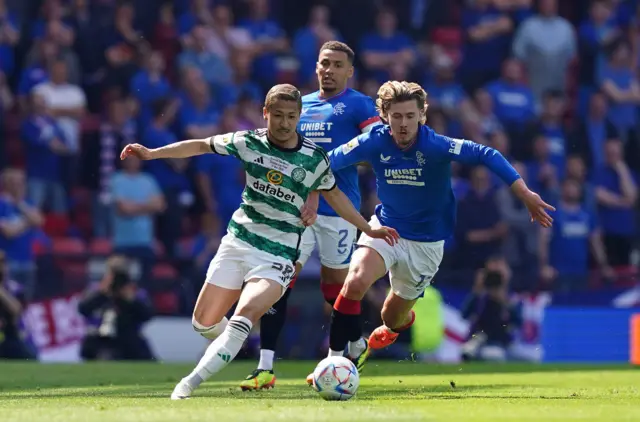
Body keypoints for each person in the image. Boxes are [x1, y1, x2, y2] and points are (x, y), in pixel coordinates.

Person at [119, 84, 398, 400]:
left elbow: (337, 198)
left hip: (277, 255)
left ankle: (188, 384)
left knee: (244, 314)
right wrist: (153, 153)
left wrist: (368, 228)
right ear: (265, 114)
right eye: (277, 115)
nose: (284, 122)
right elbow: (199, 146)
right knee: (203, 324)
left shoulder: (313, 159)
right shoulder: (248, 141)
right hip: (238, 244)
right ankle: (234, 343)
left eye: (291, 116)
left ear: (299, 117)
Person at [305, 80, 554, 384]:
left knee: (391, 318)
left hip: (426, 245)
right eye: (397, 116)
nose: (404, 123)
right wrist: (311, 189)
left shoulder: (436, 145)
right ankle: (334, 362)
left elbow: (487, 154)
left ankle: (399, 322)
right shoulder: (372, 141)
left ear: (422, 114)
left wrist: (524, 193)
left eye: (410, 116)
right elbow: (326, 163)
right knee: (354, 282)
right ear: (384, 115)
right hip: (386, 229)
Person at [240, 41, 382, 391]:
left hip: (338, 211)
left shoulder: (359, 105)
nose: (329, 70)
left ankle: (342, 355)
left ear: (350, 71)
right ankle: (265, 367)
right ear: (316, 67)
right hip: (295, 211)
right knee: (279, 281)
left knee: (336, 292)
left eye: (336, 64)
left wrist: (329, 168)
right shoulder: (301, 107)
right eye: (324, 63)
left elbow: (377, 149)